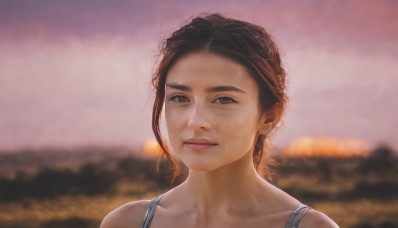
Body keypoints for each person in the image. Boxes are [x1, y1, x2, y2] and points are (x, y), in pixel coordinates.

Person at [101, 13, 338, 228]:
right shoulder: (127, 223)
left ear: (269, 116)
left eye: (223, 100)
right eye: (180, 97)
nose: (196, 121)